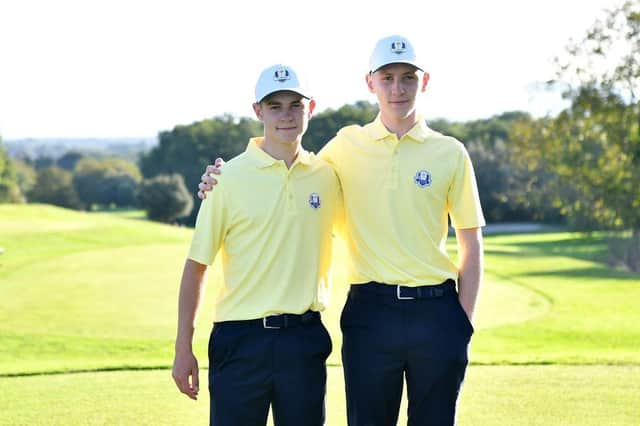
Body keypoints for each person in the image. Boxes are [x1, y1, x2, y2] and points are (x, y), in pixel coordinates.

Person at [198, 35, 485, 426]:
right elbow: (292, 166)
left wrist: (461, 324)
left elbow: (472, 244)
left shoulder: (450, 152)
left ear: (424, 81)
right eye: (387, 78)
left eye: (407, 78)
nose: (397, 88)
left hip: (437, 314)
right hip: (371, 312)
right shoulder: (345, 147)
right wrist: (220, 178)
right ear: (371, 83)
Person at [172, 63, 342, 426]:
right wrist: (182, 346)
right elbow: (197, 265)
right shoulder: (226, 178)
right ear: (258, 111)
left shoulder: (328, 177)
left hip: (304, 338)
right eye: (275, 106)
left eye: (295, 105)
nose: (286, 115)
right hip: (240, 341)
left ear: (310, 109)